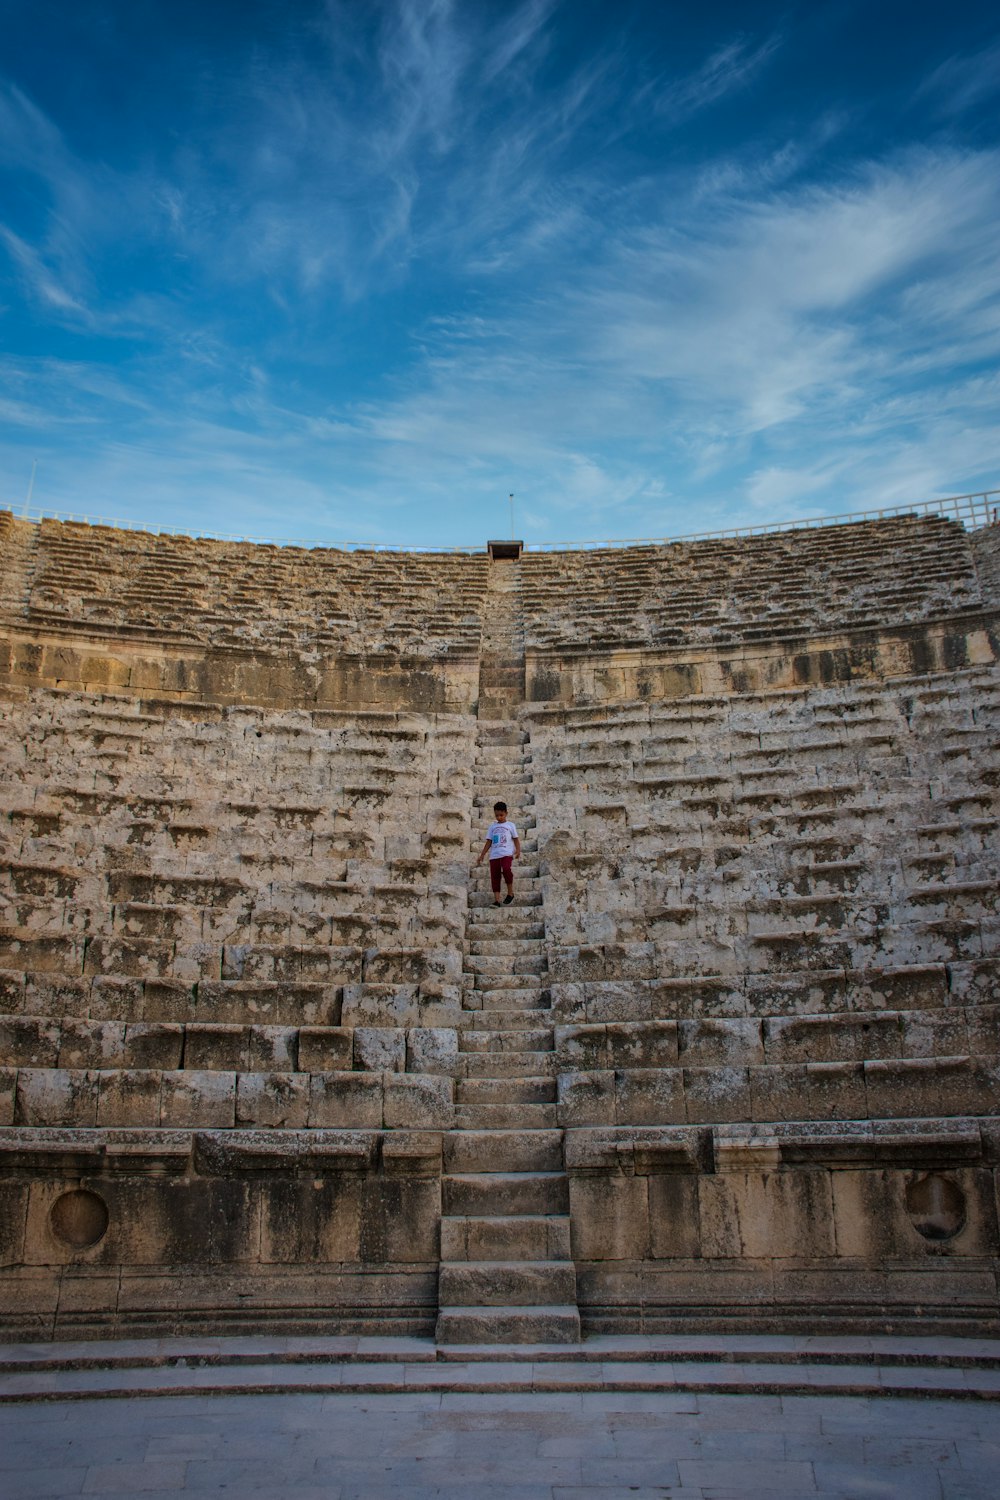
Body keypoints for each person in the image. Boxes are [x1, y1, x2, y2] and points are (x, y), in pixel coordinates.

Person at [476, 800, 520, 905]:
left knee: (506, 870)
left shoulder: (510, 825)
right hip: (494, 855)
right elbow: (489, 841)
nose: (499, 817)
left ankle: (510, 893)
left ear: (506, 813)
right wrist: (482, 854)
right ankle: (497, 900)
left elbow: (516, 839)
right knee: (495, 877)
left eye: (501, 815)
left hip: (506, 854)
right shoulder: (492, 827)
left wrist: (518, 850)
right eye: (497, 815)